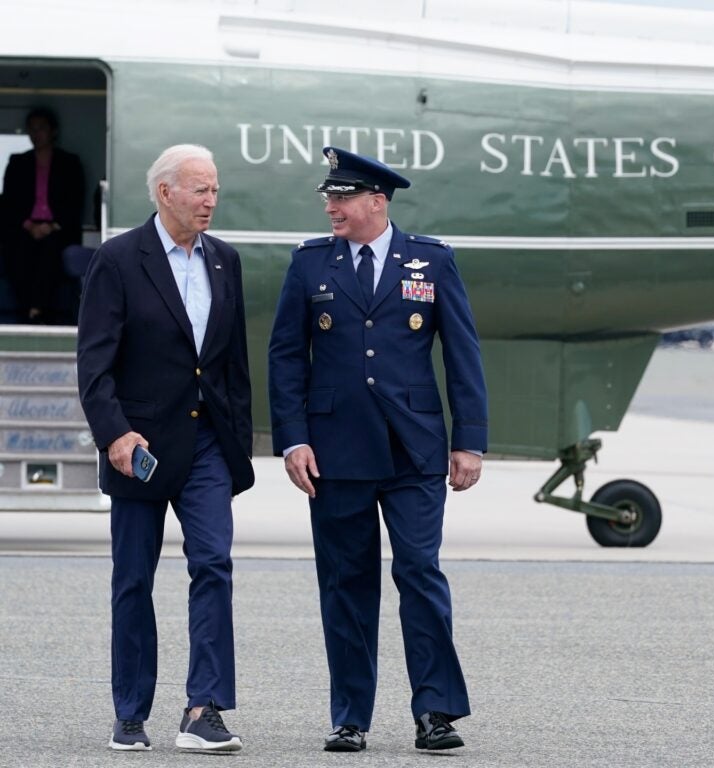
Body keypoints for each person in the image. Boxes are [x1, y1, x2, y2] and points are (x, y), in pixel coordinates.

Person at [267, 147, 487, 752]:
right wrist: (293, 438)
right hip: (336, 450)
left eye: (342, 198)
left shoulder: (431, 260)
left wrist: (469, 440)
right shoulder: (310, 263)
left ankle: (435, 711)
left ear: (377, 202)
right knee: (346, 582)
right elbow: (286, 356)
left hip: (414, 448)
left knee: (419, 572)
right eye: (329, 198)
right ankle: (350, 717)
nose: (331, 208)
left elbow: (462, 352)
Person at [76, 144, 254, 752]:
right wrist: (114, 433)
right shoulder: (119, 259)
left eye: (215, 189)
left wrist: (237, 447)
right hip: (139, 445)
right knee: (134, 579)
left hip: (207, 445)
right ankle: (130, 713)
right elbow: (94, 363)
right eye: (200, 189)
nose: (211, 200)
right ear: (165, 193)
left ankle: (204, 709)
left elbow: (233, 365)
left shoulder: (225, 260)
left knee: (214, 566)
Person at [0, 107, 85, 323]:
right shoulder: (18, 162)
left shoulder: (70, 162)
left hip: (57, 227)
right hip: (25, 227)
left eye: (41, 128)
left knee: (51, 251)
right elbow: (9, 202)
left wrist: (52, 226)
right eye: (32, 129)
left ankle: (36, 310)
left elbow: (75, 201)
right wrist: (29, 225)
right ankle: (30, 310)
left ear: (53, 131)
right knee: (18, 251)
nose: (36, 134)